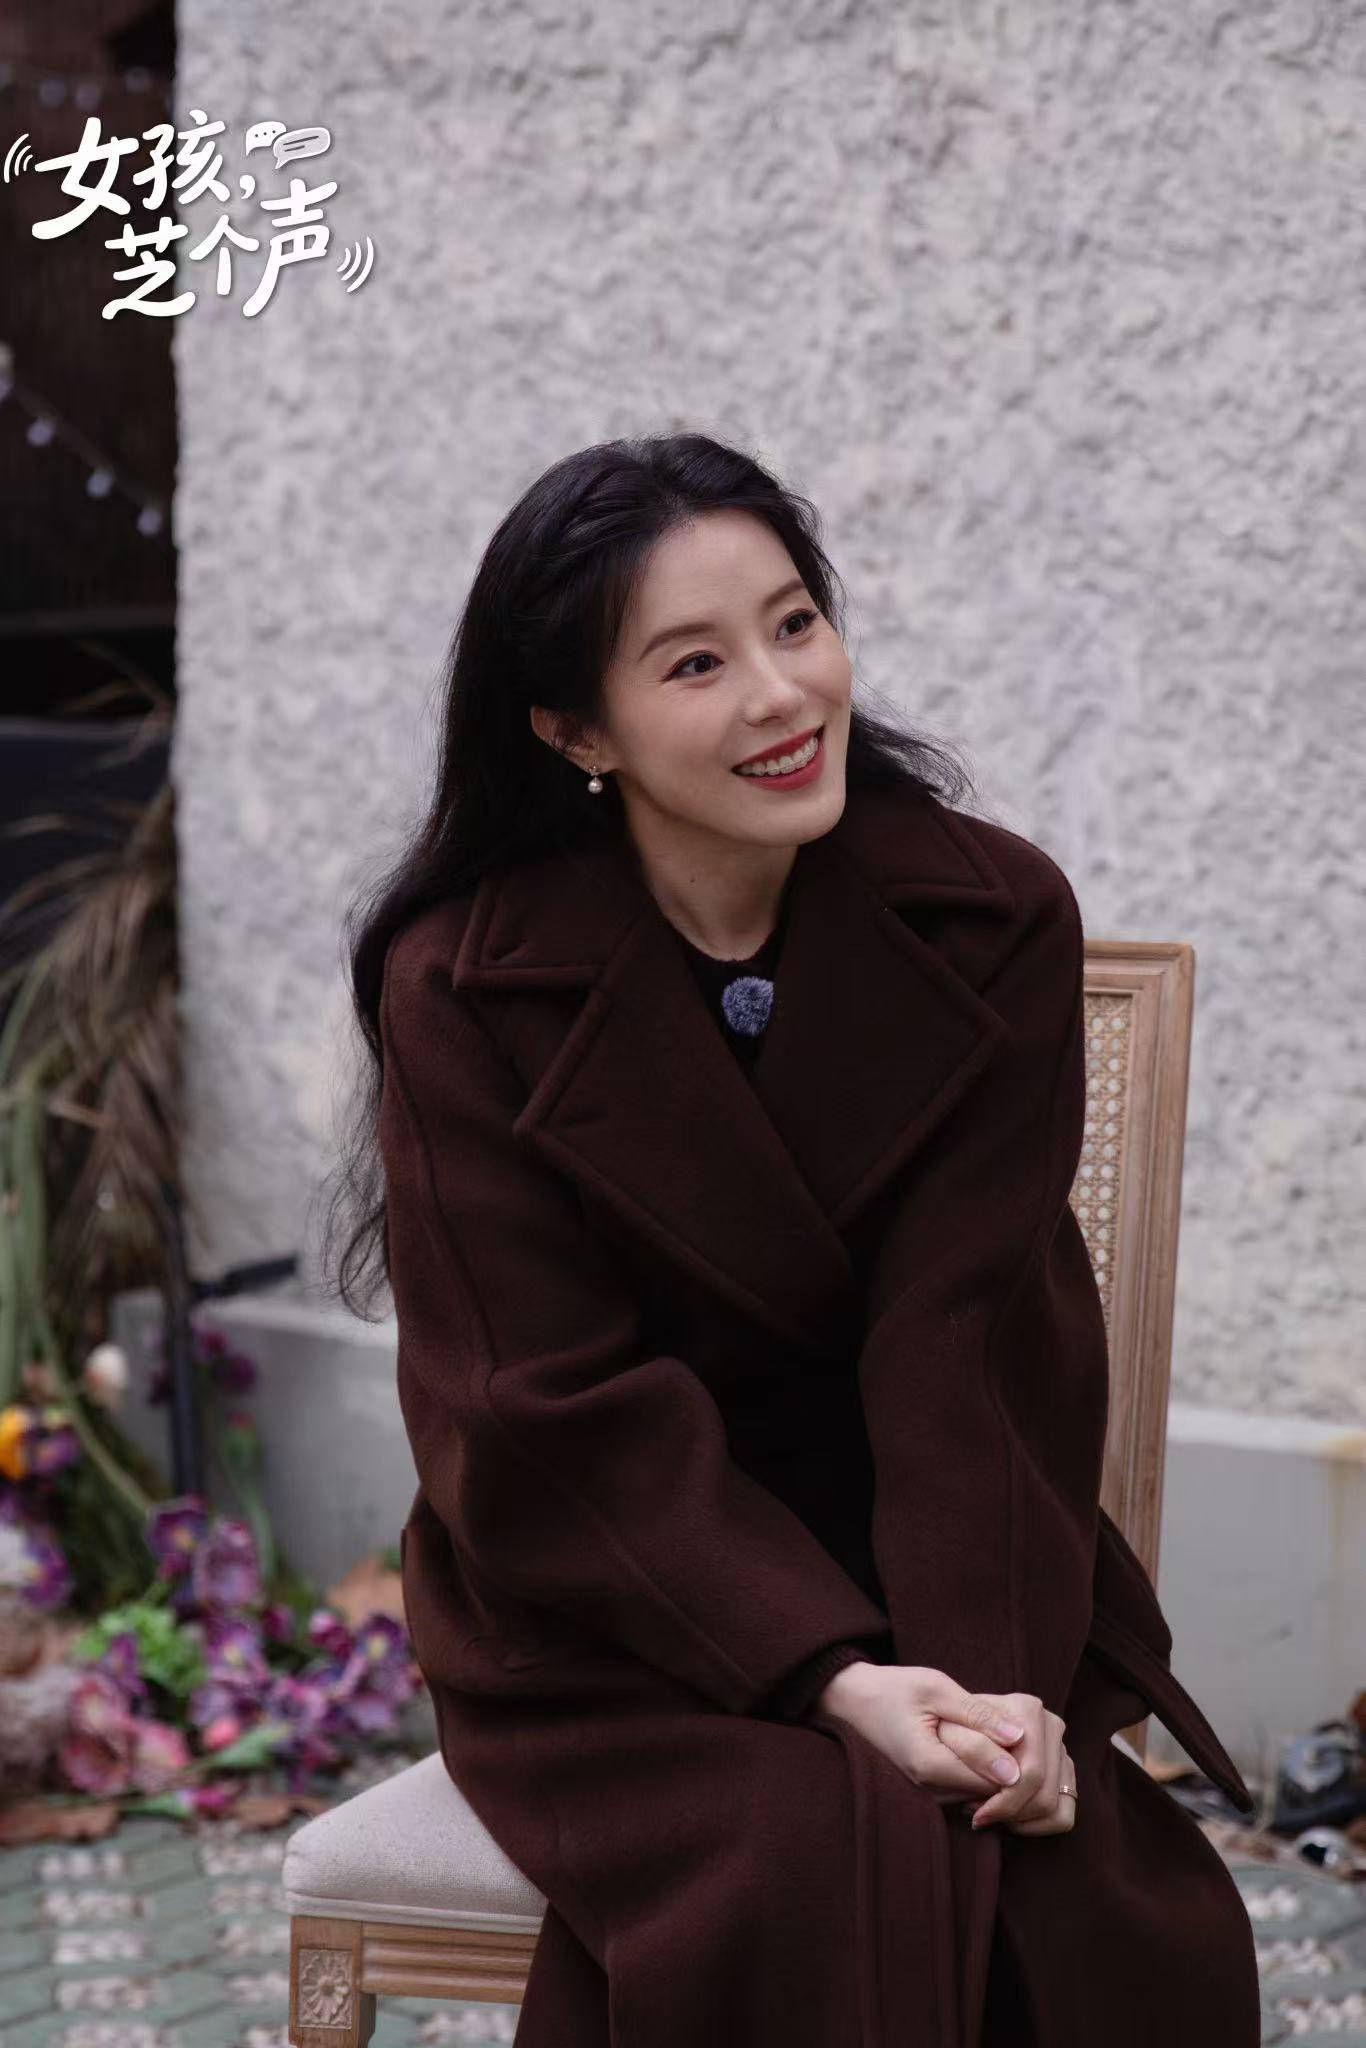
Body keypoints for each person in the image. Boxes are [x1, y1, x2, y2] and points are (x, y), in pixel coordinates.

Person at [323, 432, 1261, 2045]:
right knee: (803, 1865)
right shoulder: (464, 984)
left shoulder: (986, 919)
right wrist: (824, 1677)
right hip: (614, 1597)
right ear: (573, 730)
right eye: (695, 663)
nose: (781, 695)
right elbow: (534, 1412)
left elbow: (965, 1345)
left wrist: (983, 1693)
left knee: (1051, 1890)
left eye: (795, 623)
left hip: (933, 1555)